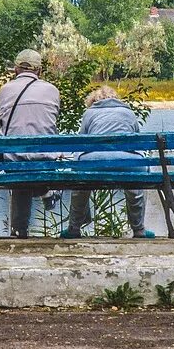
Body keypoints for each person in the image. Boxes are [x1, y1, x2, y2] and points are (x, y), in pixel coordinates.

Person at [63, 85, 155, 240]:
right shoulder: (128, 112)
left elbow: (81, 142)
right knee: (135, 185)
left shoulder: (89, 113)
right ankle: (139, 230)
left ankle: (74, 228)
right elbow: (136, 141)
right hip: (128, 162)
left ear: (93, 100)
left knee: (81, 185)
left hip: (94, 162)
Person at [0, 49, 60, 238]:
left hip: (15, 160)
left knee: (19, 165)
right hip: (45, 160)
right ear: (39, 71)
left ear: (15, 69)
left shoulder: (5, 90)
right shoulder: (52, 90)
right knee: (33, 162)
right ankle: (45, 191)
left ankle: (19, 229)